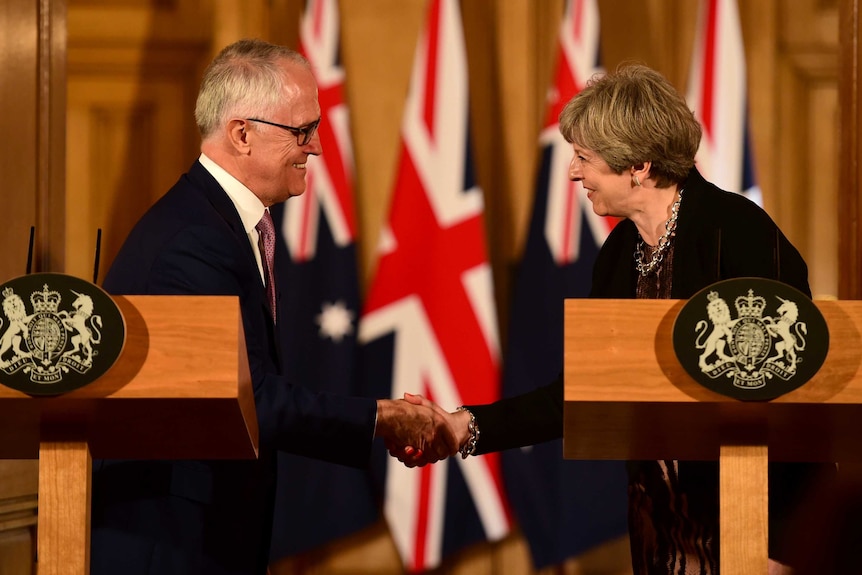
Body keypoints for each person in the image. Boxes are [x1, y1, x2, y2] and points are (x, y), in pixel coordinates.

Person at [397, 63, 832, 574]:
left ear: (639, 165)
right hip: (663, 526)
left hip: (758, 523)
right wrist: (464, 425)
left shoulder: (737, 232)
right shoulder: (619, 252)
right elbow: (582, 391)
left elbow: (790, 382)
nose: (574, 173)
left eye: (584, 158)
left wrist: (779, 550)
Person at [91, 38, 458, 575]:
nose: (316, 148)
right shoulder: (194, 241)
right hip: (167, 546)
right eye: (302, 131)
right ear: (242, 133)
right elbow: (250, 399)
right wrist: (381, 418)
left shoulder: (216, 222)